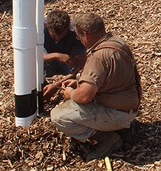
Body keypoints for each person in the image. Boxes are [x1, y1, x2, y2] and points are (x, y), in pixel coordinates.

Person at [50, 12, 143, 161]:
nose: (79, 40)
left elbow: (84, 96)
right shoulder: (116, 42)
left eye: (79, 36)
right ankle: (123, 129)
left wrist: (70, 93)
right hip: (129, 106)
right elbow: (109, 77)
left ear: (85, 34)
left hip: (117, 114)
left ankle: (108, 139)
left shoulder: (98, 56)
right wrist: (79, 82)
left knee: (59, 116)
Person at [43, 9, 86, 77]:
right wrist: (57, 56)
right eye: (53, 35)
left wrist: (61, 82)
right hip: (46, 61)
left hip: (69, 62)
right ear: (47, 25)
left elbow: (81, 63)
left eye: (61, 36)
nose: (57, 39)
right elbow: (30, 58)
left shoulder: (76, 32)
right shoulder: (39, 29)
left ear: (68, 27)